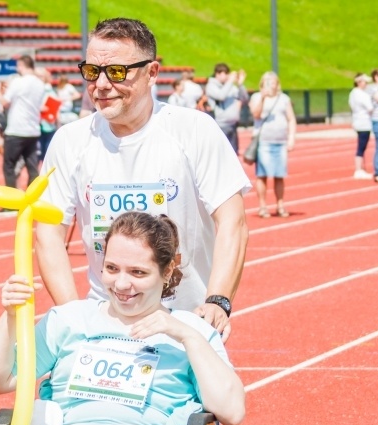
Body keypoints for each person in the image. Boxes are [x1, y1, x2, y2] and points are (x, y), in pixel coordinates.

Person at [0, 211, 246, 425]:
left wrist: (186, 336)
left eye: (138, 272)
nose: (121, 284)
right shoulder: (70, 320)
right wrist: (9, 316)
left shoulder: (190, 329)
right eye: (112, 268)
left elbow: (232, 411)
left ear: (167, 272)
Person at [35, 18, 251, 341]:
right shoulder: (70, 141)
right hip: (104, 327)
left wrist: (217, 301)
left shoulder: (194, 130)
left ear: (151, 73)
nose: (101, 84)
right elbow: (48, 232)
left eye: (117, 72)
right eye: (92, 71)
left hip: (186, 323)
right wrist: (73, 316)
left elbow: (233, 221)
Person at [0, 55, 45, 216]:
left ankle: (11, 204)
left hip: (16, 129)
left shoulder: (18, 82)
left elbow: (5, 102)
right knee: (32, 166)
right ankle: (33, 200)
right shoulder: (40, 83)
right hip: (33, 130)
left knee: (9, 166)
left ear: (21, 65)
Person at [248, 71, 297, 218]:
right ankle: (262, 206)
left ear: (277, 84)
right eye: (267, 81)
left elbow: (291, 119)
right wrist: (263, 98)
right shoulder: (256, 97)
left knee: (279, 175)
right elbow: (256, 114)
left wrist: (291, 138)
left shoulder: (284, 99)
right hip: (263, 141)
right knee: (262, 175)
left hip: (280, 142)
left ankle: (280, 205)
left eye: (273, 81)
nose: (270, 84)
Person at [205, 63, 249, 154]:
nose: (227, 76)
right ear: (217, 74)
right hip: (220, 125)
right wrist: (230, 81)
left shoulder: (231, 87)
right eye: (225, 73)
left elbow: (244, 99)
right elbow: (221, 96)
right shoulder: (211, 86)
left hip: (233, 125)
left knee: (233, 154)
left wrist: (240, 84)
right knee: (221, 154)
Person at [348, 72, 374, 179]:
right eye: (364, 82)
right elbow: (370, 108)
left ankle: (360, 168)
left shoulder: (353, 93)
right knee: (362, 146)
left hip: (358, 121)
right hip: (364, 122)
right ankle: (358, 169)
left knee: (361, 145)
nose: (366, 84)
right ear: (359, 82)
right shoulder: (361, 94)